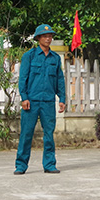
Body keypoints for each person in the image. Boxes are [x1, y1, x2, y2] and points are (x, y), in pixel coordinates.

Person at [14, 24, 66, 175]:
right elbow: (23, 79)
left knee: (49, 134)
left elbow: (59, 80)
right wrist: (24, 98)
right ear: (38, 38)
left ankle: (49, 164)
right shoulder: (29, 56)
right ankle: (21, 165)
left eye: (50, 36)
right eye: (45, 36)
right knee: (26, 134)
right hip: (31, 102)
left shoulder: (55, 58)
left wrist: (61, 98)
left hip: (48, 102)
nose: (48, 38)